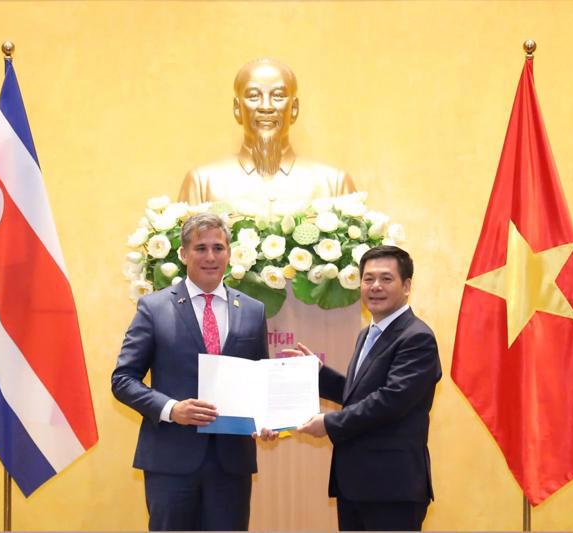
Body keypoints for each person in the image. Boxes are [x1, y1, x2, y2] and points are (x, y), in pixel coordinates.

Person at [112, 213, 275, 531]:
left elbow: (260, 379)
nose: (211, 257)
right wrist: (173, 409)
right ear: (184, 253)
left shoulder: (253, 311)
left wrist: (268, 419)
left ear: (229, 252)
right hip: (171, 461)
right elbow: (123, 380)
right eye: (201, 248)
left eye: (218, 247)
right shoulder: (154, 308)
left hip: (232, 465)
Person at [287, 245, 442, 531]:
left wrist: (329, 423)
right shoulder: (368, 334)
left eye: (386, 279)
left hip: (393, 488)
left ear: (406, 286)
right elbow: (360, 394)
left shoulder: (417, 337)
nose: (375, 287)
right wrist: (317, 375)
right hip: (356, 484)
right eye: (368, 279)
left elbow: (390, 401)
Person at [178, 58, 355, 208]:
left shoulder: (334, 184)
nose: (266, 107)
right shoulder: (202, 183)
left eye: (278, 95)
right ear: (237, 109)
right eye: (253, 96)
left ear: (294, 109)